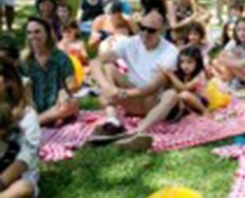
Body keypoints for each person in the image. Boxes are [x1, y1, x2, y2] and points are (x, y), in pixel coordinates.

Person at [89, 10, 180, 151]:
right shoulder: (129, 42)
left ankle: (137, 132)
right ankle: (113, 122)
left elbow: (153, 87)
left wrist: (123, 94)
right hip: (130, 97)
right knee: (109, 67)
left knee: (172, 95)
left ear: (161, 31)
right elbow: (95, 62)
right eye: (142, 28)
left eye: (150, 30)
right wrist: (108, 87)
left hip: (151, 102)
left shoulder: (170, 52)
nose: (145, 33)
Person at [21, 17, 80, 127]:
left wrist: (64, 92)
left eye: (37, 32)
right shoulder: (23, 60)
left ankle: (34, 123)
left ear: (47, 33)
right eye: (29, 33)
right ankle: (50, 119)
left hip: (56, 105)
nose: (33, 36)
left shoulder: (60, 57)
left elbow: (72, 84)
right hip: (30, 106)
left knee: (73, 103)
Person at [0, 58, 41, 198]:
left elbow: (24, 160)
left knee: (24, 189)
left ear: (9, 81)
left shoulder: (27, 115)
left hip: (12, 181)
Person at [212, 17, 245, 92]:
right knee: (226, 58)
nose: (242, 33)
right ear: (236, 32)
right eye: (239, 30)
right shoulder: (233, 42)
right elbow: (220, 58)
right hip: (237, 74)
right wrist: (237, 63)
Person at [160, 46, 210, 118]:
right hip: (189, 99)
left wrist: (170, 74)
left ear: (198, 62)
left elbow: (184, 88)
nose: (185, 66)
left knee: (184, 95)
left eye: (189, 62)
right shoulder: (185, 74)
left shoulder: (199, 75)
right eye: (182, 62)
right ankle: (188, 112)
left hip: (201, 100)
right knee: (173, 93)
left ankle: (204, 110)